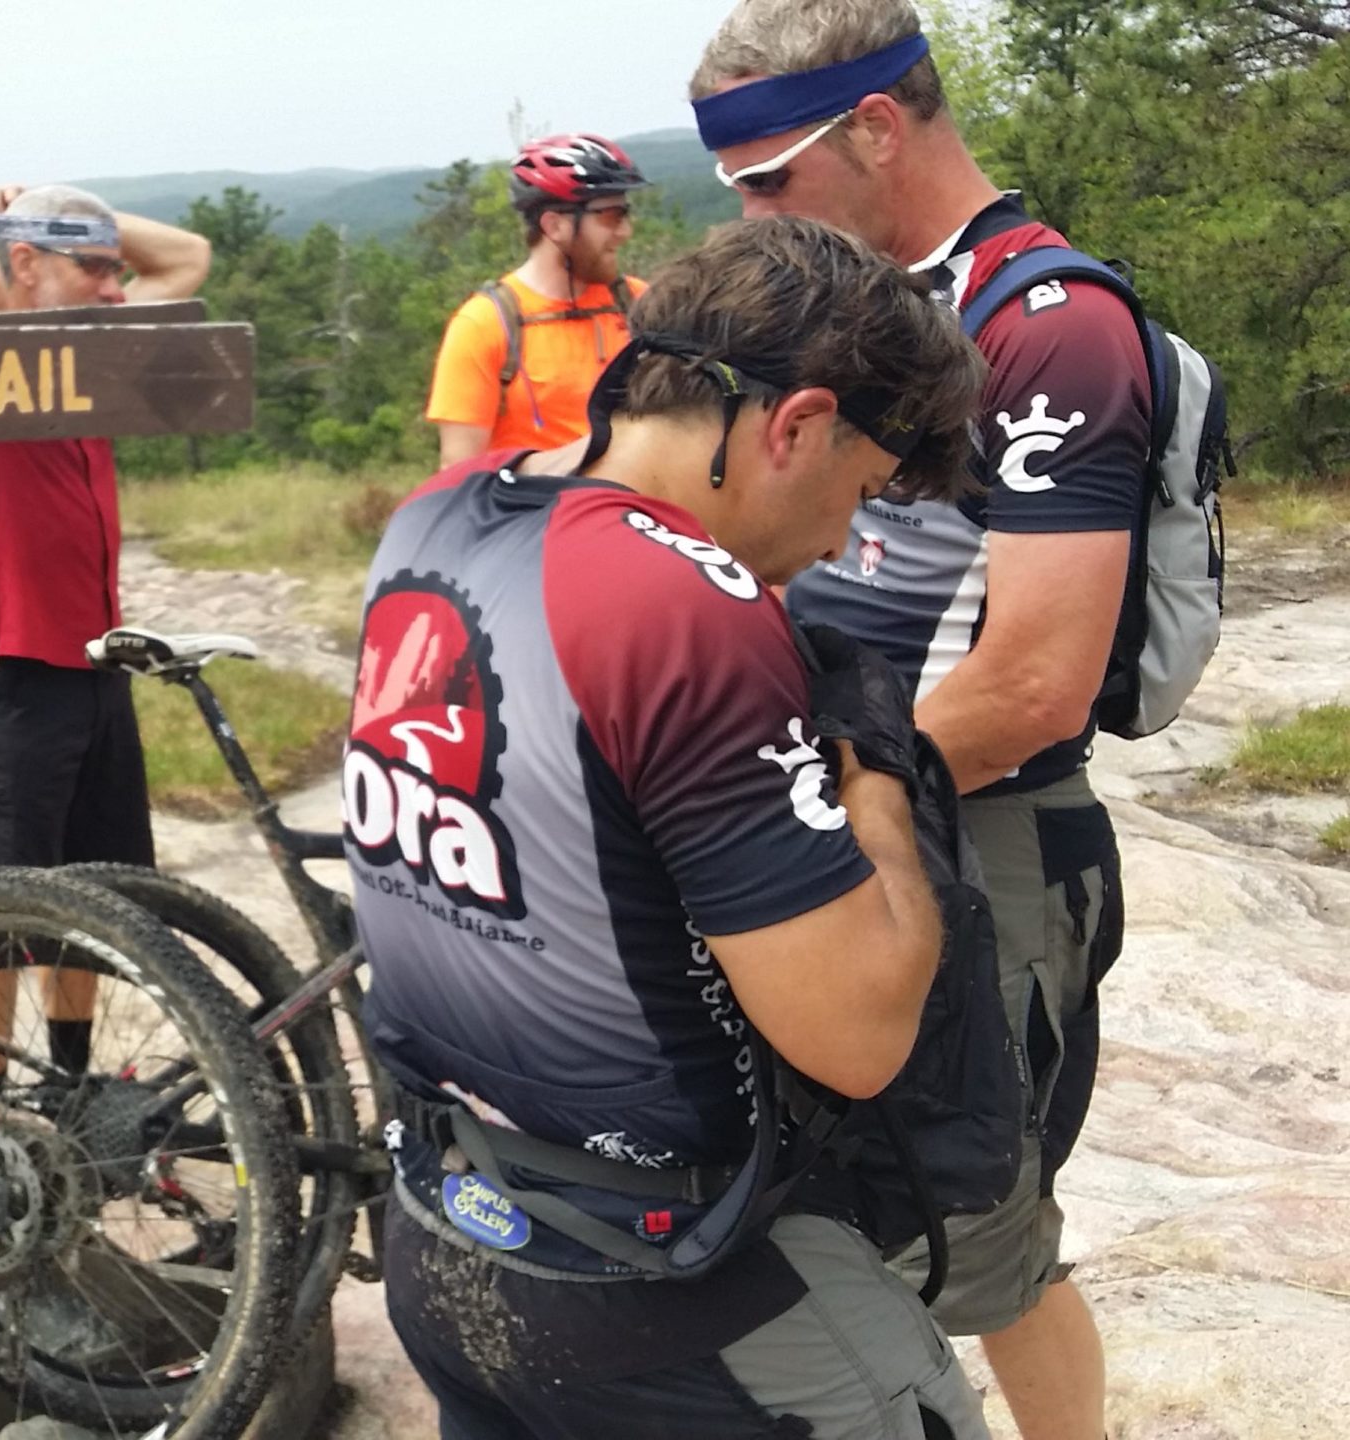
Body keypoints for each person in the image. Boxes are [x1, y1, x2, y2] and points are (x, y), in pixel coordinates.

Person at [353, 215, 990, 1438]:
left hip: (446, 1221)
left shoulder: (435, 517)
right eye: (857, 492)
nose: (842, 541)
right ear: (794, 425)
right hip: (665, 1279)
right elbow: (856, 1031)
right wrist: (874, 769)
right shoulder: (678, 597)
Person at [692, 6, 1150, 1435]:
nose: (755, 222)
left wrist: (795, 803)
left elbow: (1035, 680)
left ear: (878, 127)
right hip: (844, 803)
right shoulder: (839, 303)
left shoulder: (1051, 328)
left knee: (984, 1233)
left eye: (771, 181)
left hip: (980, 831)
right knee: (838, 1205)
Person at [0, 184, 211, 1082]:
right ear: (27, 266)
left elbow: (187, 258)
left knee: (93, 896)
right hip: (14, 677)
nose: (118, 288)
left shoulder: (92, 353)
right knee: (1, 916)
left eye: (116, 271)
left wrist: (66, 199)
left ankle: (72, 1085)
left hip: (95, 670)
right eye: (93, 268)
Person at [424, 135, 650, 466]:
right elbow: (459, 473)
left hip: (635, 509)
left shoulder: (639, 304)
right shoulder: (486, 325)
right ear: (554, 225)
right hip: (536, 513)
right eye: (611, 216)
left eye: (625, 214)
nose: (625, 231)